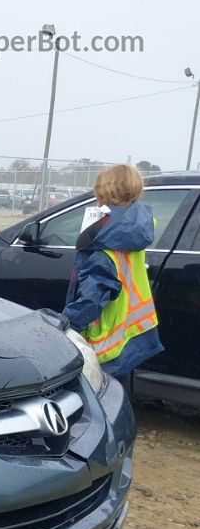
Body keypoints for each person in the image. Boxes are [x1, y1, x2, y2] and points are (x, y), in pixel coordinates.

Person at [62, 164, 163, 394]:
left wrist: (65, 324)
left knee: (99, 400)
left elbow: (93, 297)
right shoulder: (136, 228)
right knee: (118, 396)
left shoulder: (100, 240)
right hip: (132, 330)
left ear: (101, 194)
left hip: (106, 338)